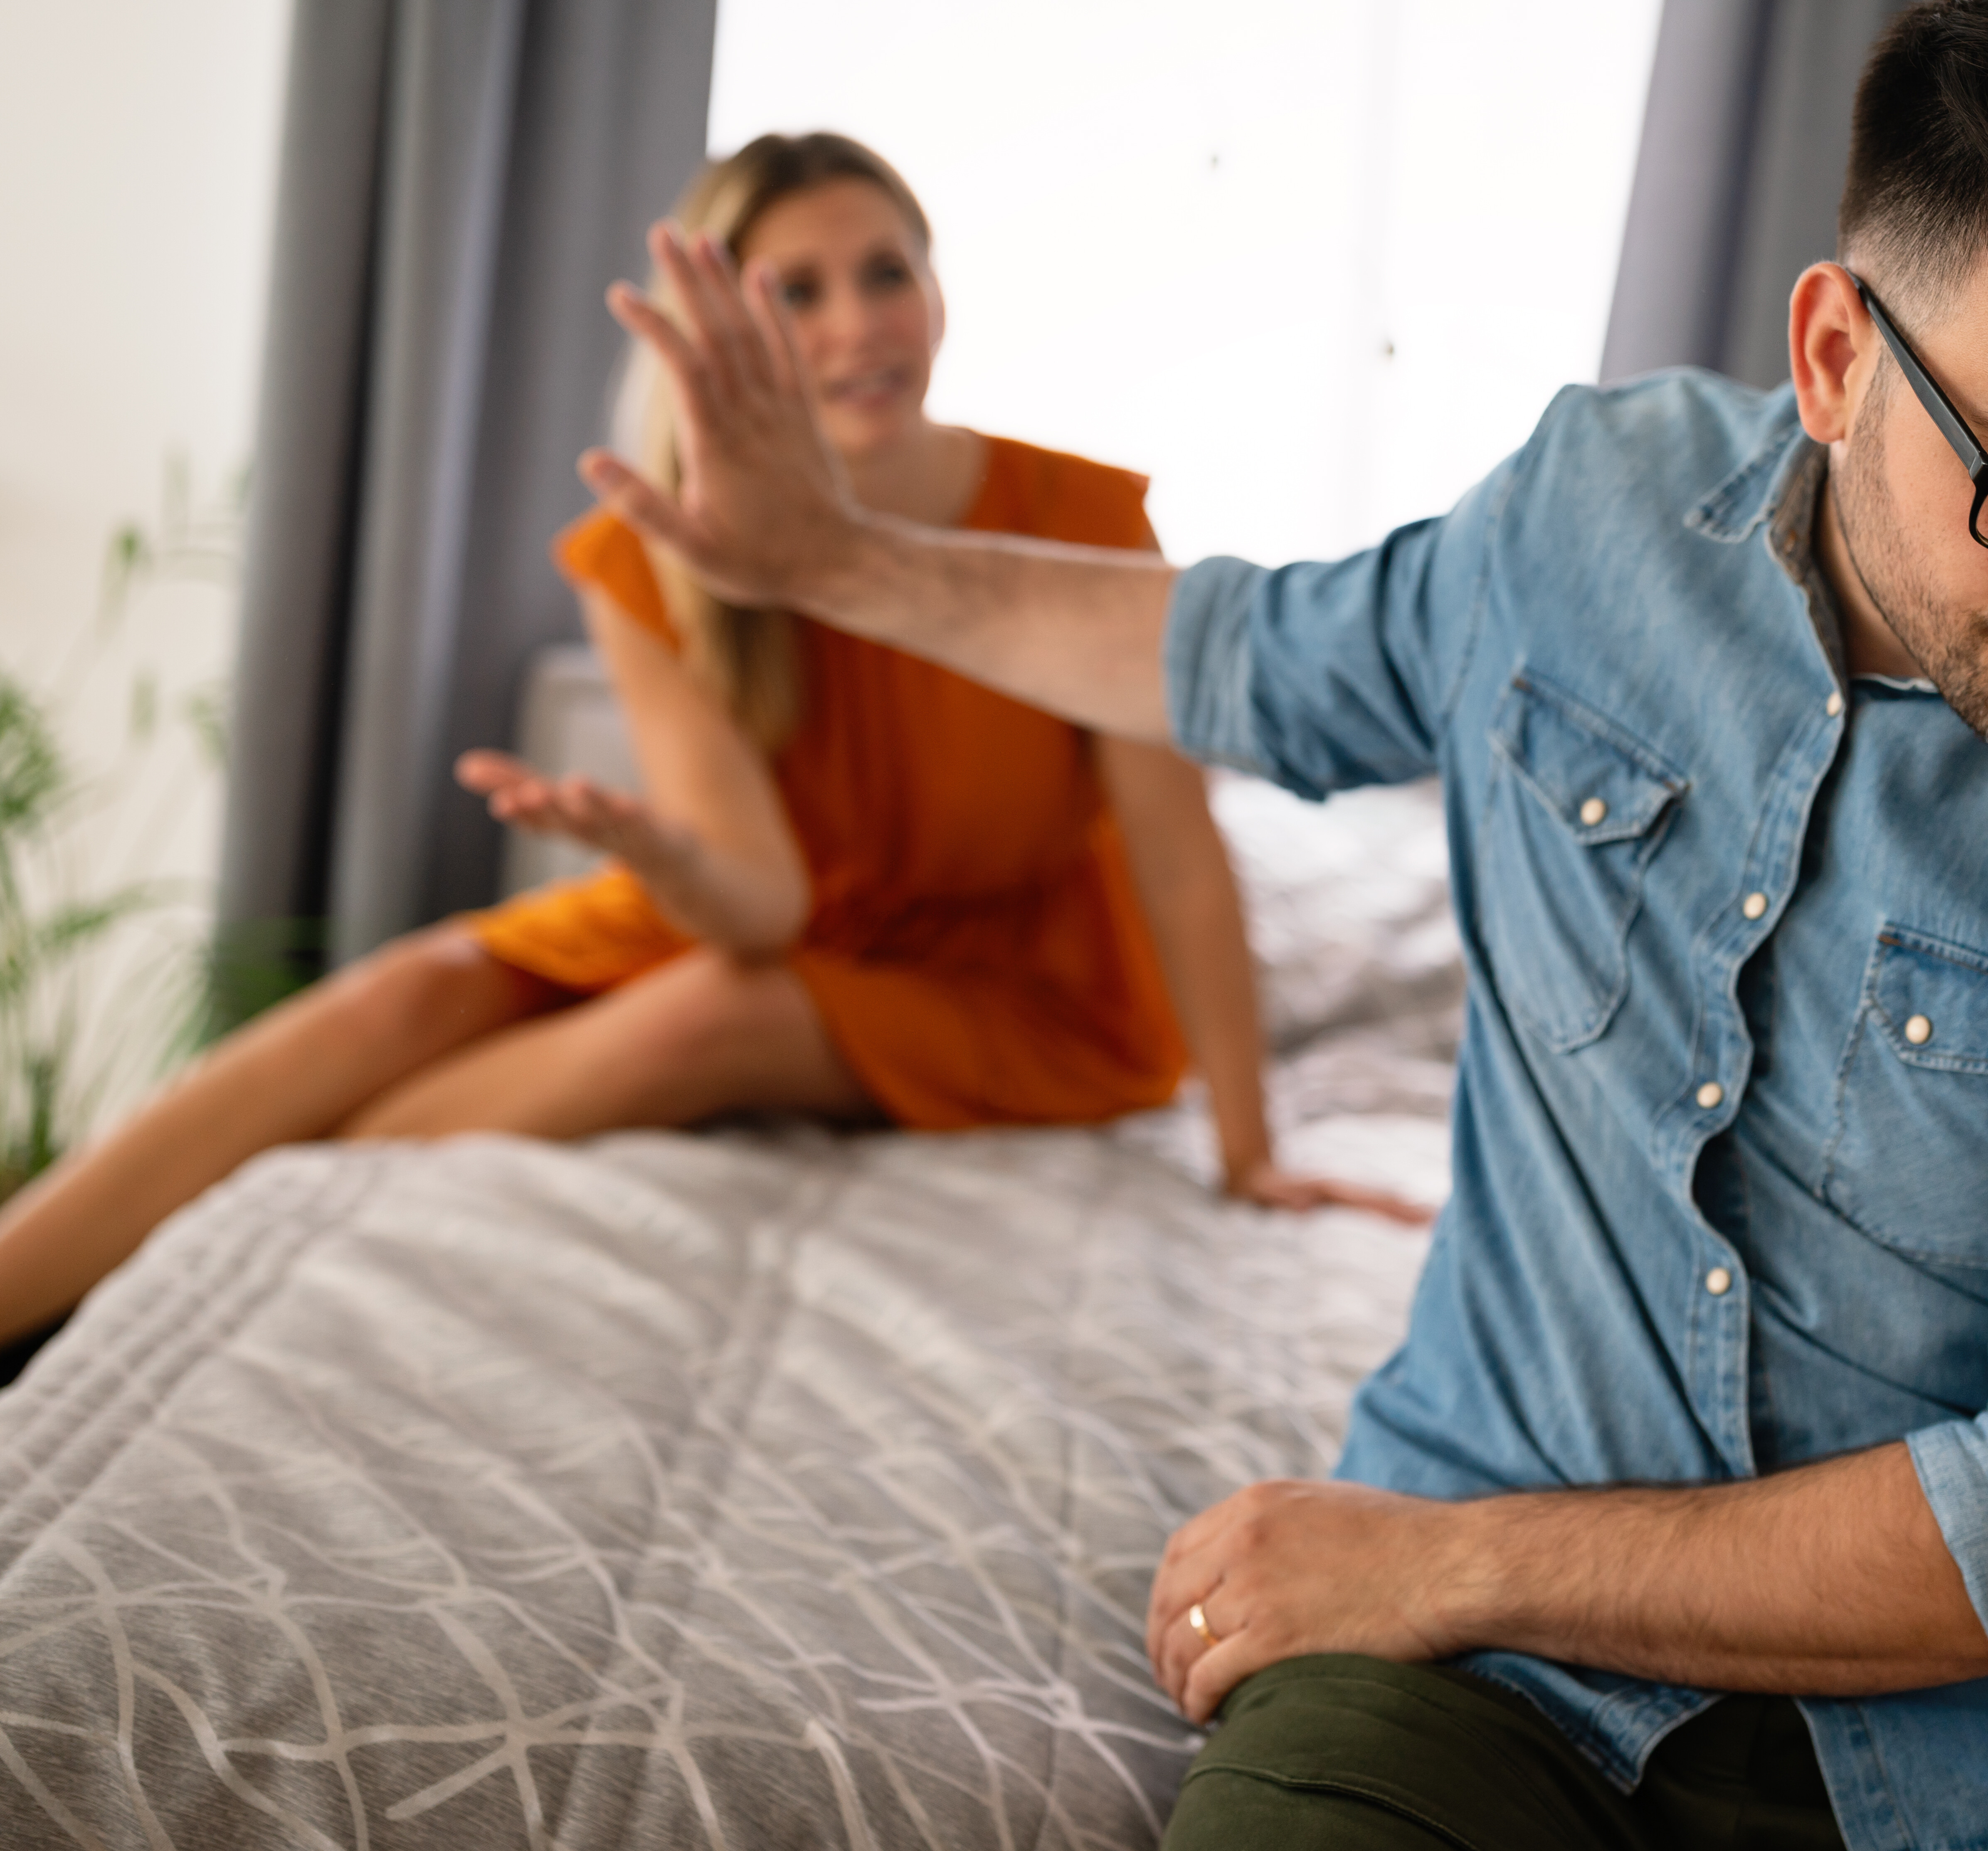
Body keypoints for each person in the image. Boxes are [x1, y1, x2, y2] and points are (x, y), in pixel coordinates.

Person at [587, 5, 1988, 1846]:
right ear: (1835, 358)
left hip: (1984, 1780)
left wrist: (1447, 1564)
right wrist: (829, 562)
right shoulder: (1591, 518)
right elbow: (1234, 654)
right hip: (1464, 1703)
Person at [0, 131, 1419, 1364]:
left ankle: (215, 1233)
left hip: (1012, 978)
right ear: (715, 336)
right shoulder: (652, 554)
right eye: (797, 292)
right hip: (754, 915)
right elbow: (762, 907)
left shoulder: (1078, 520)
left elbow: (1177, 853)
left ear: (938, 293)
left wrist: (1249, 1149)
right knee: (409, 990)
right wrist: (651, 851)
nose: (859, 324)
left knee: (706, 1021)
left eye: (887, 272)